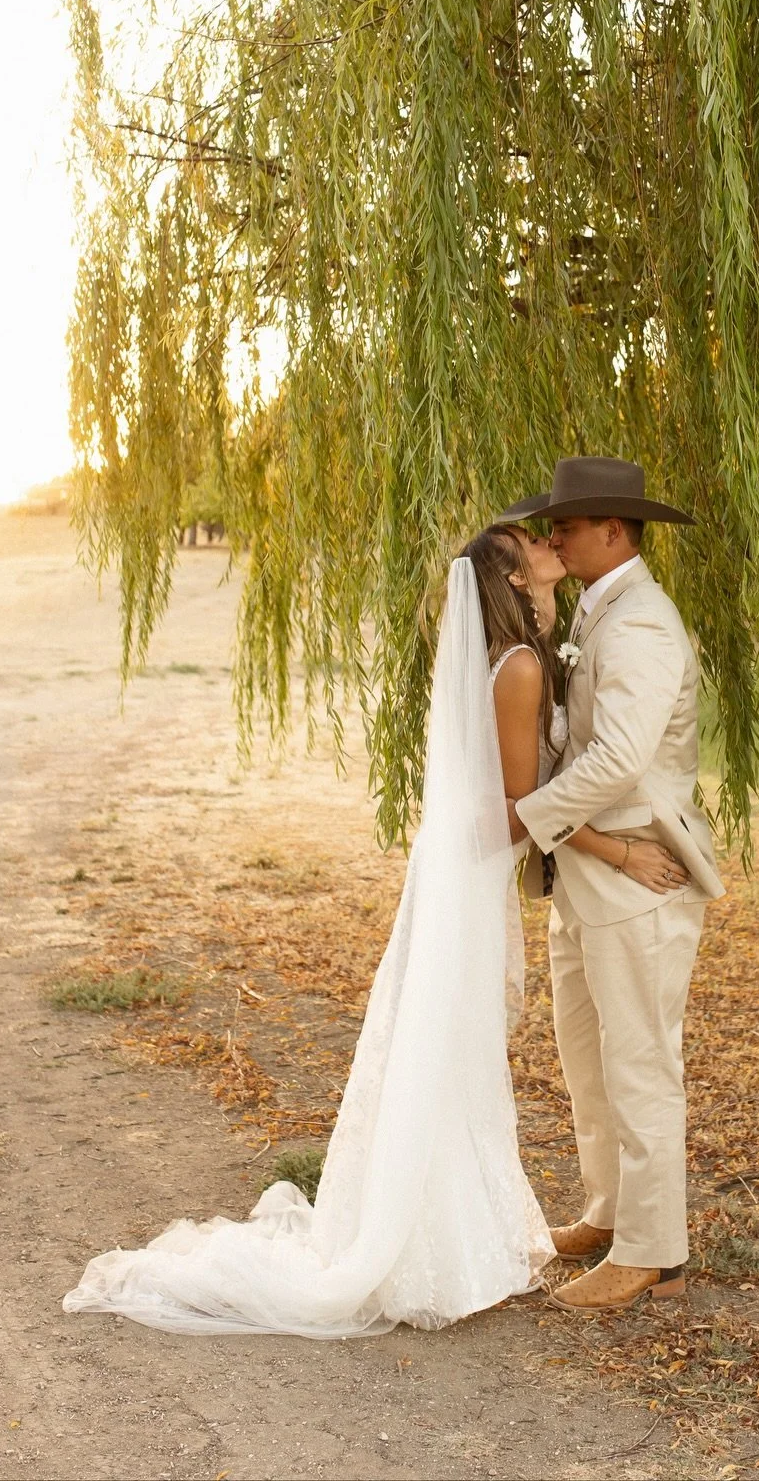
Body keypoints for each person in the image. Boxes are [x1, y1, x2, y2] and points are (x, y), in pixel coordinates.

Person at [63, 523, 569, 1338]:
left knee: (452, 1042)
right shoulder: (515, 670)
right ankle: (430, 1243)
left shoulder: (516, 659)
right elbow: (513, 805)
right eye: (532, 546)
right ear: (510, 581)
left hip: (463, 870)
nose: (549, 543)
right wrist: (585, 823)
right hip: (472, 873)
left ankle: (459, 1234)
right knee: (450, 1042)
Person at [501, 455, 724, 1313]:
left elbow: (622, 758)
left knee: (638, 1064)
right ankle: (608, 1212)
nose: (553, 535)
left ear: (615, 530)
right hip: (589, 869)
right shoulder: (602, 611)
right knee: (587, 1058)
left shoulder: (641, 626)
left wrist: (529, 817)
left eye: (567, 523)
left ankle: (651, 1252)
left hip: (639, 873)